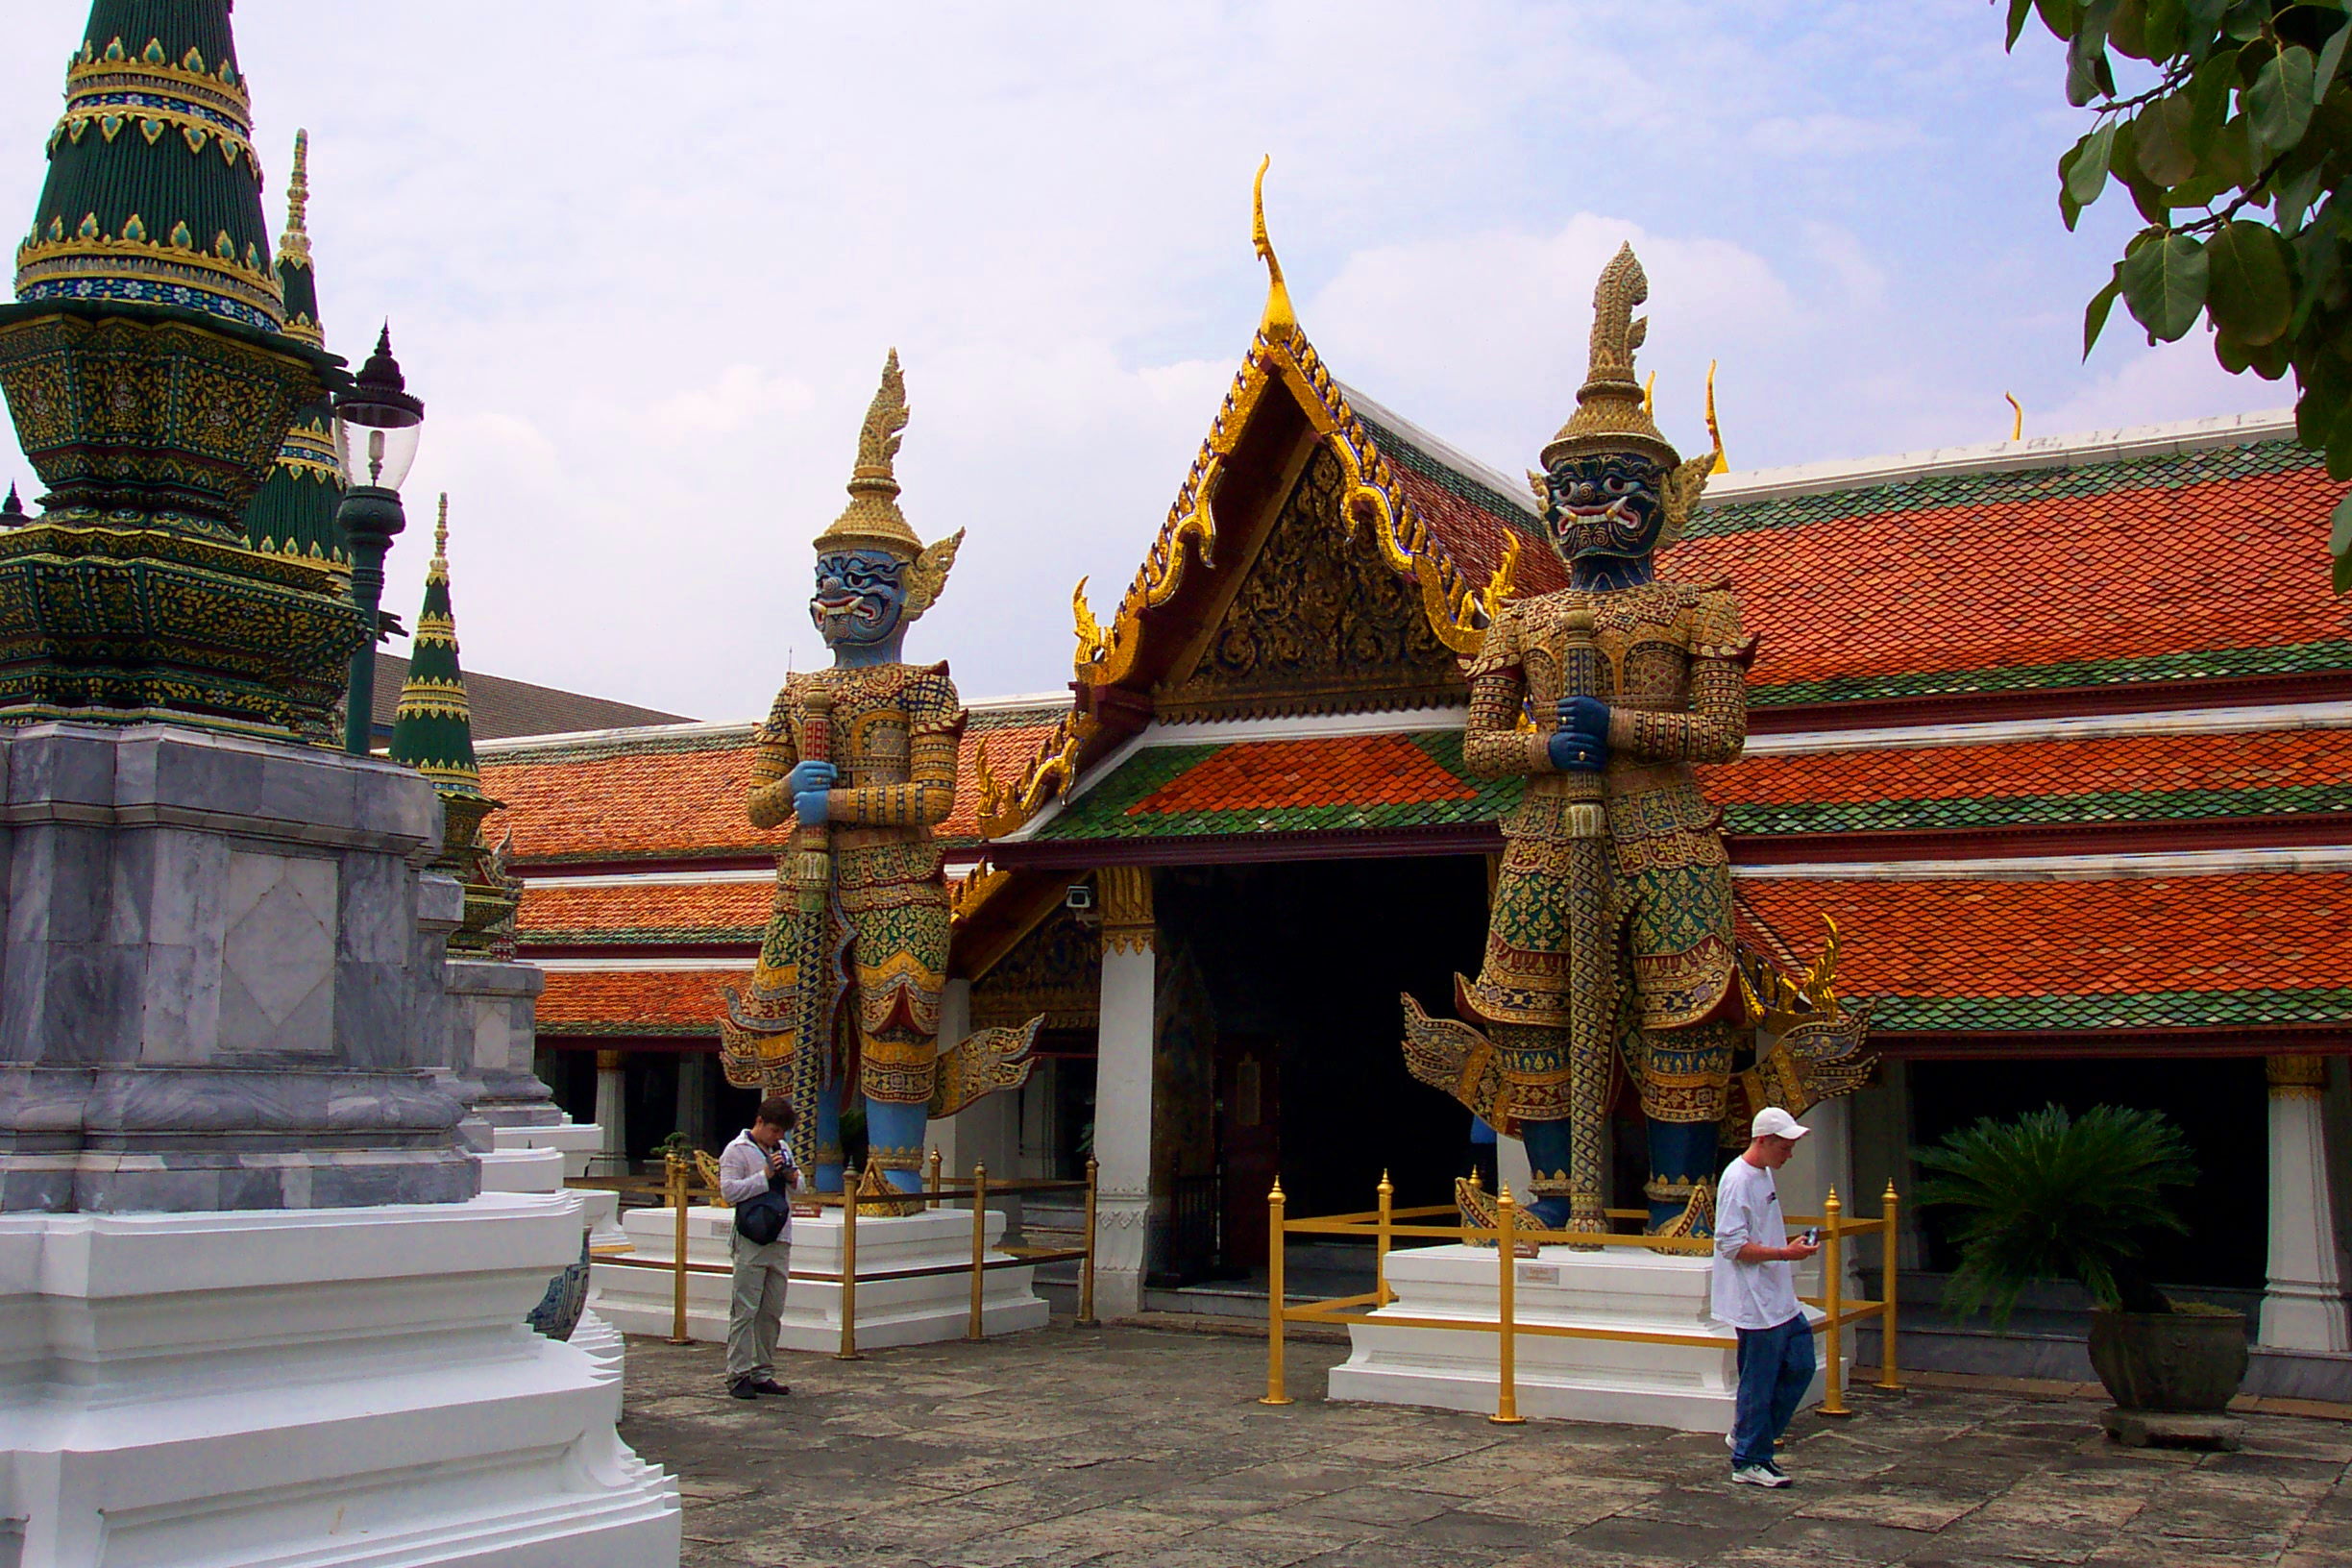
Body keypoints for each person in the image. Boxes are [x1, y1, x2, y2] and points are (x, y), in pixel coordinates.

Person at [1712, 1106, 1822, 1487]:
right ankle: (1750, 1459)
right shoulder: (1737, 1180)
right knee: (1759, 1380)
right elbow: (1731, 1245)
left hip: (1778, 1295)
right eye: (1784, 1146)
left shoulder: (1764, 1174)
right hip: (1754, 1300)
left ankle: (1748, 1435)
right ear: (1763, 1140)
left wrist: (1786, 1252)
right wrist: (1784, 1254)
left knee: (1801, 1364)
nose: (1788, 1154)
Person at [719, 1095, 800, 1400]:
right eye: (774, 1131)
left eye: (782, 1133)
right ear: (761, 1123)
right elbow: (729, 1192)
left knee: (771, 1311)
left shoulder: (783, 1148)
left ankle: (762, 1370)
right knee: (745, 1310)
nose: (778, 1138)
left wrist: (791, 1175)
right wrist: (764, 1176)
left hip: (780, 1235)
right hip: (752, 1236)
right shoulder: (736, 1151)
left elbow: (800, 1186)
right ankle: (737, 1374)